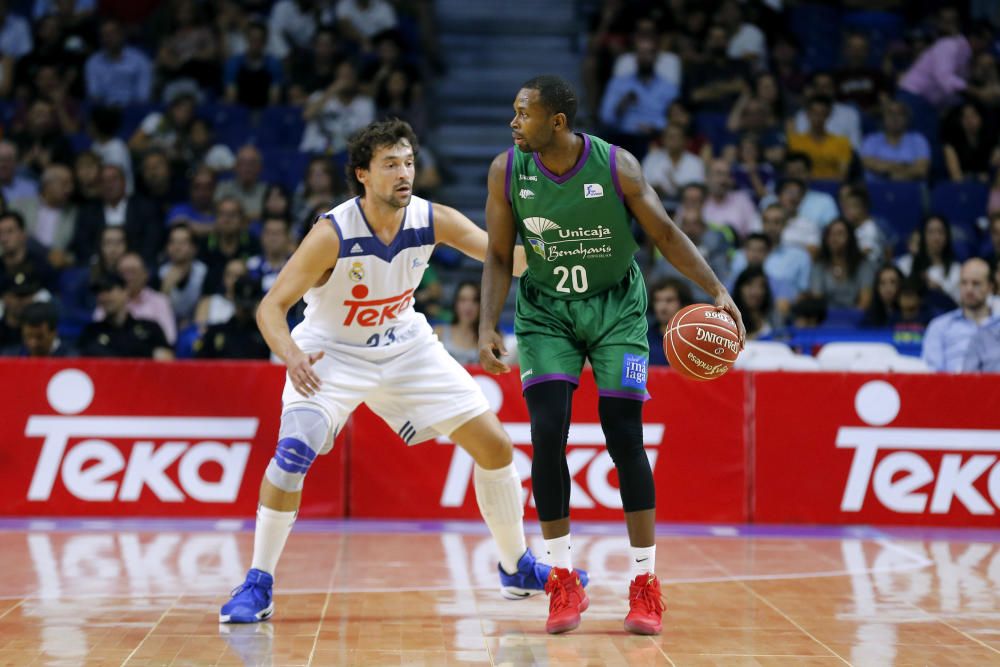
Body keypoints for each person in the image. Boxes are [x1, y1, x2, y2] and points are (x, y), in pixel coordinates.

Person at [219, 119, 559, 627]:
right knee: (292, 453)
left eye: (408, 162)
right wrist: (290, 355)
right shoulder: (331, 233)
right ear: (362, 174)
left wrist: (563, 249)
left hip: (406, 346)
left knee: (496, 447)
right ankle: (257, 582)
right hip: (330, 353)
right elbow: (272, 307)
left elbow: (503, 258)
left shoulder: (431, 217)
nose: (404, 173)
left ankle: (517, 567)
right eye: (390, 165)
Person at [478, 76, 744, 636]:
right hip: (546, 312)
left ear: (557, 121)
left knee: (624, 434)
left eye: (522, 113)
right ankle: (562, 579)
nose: (512, 122)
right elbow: (499, 254)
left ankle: (645, 583)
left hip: (617, 309)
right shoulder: (507, 171)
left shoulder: (617, 166)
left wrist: (717, 289)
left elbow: (666, 235)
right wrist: (486, 325)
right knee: (548, 433)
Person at [922, 258, 998, 372]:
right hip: (951, 387)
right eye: (964, 283)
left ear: (990, 287)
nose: (969, 289)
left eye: (976, 283)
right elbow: (932, 374)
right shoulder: (939, 326)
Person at [78, 273, 174, 359]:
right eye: (99, 292)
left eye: (108, 289)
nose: (103, 297)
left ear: (125, 292)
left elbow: (167, 360)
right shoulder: (91, 333)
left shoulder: (150, 328)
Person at [195, 275, 270, 359]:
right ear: (233, 299)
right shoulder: (215, 332)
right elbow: (200, 364)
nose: (244, 311)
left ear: (257, 303)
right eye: (241, 305)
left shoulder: (264, 336)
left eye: (248, 307)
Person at [809, 218, 875, 310]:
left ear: (850, 238)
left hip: (857, 319)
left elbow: (865, 301)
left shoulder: (863, 265)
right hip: (826, 319)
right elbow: (817, 300)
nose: (834, 238)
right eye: (831, 234)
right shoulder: (819, 266)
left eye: (840, 234)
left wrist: (851, 318)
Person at [860, 101, 931, 182]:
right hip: (876, 189)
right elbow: (867, 163)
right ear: (883, 117)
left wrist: (887, 170)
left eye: (900, 114)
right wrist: (904, 166)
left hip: (910, 189)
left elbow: (921, 170)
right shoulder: (871, 140)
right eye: (890, 113)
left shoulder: (918, 140)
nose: (895, 118)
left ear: (907, 118)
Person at [898, 215, 961, 304]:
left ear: (947, 236)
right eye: (931, 232)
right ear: (923, 236)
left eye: (941, 232)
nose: (936, 237)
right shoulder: (905, 264)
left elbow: (961, 304)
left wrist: (940, 290)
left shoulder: (957, 270)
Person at [433, 281, 483, 366]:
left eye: (474, 300)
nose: (468, 306)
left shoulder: (486, 339)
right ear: (455, 304)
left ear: (481, 305)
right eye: (463, 300)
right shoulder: (438, 333)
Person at [646, 278, 692, 366]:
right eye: (657, 300)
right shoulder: (643, 337)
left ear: (684, 304)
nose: (662, 307)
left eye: (669, 300)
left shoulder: (695, 337)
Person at [3, 300, 69, 357]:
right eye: (28, 336)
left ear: (54, 332)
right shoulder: (10, 357)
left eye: (39, 337)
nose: (33, 343)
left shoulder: (71, 358)